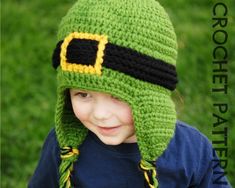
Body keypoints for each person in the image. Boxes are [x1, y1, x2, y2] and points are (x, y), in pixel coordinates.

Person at [28, 0, 231, 187]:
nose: (100, 114)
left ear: (153, 92)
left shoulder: (192, 151)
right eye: (82, 94)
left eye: (118, 96)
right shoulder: (64, 147)